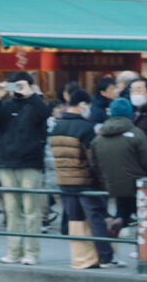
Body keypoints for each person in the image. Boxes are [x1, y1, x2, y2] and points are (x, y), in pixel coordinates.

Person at [0, 72, 50, 264]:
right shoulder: (5, 106)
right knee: (11, 211)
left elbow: (44, 114)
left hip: (30, 163)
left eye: (20, 85)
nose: (17, 89)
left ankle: (31, 253)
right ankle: (14, 251)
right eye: (14, 85)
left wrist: (32, 94)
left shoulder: (36, 105)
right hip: (6, 162)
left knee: (32, 211)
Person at [50, 88, 118, 268]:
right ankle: (105, 257)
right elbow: (92, 158)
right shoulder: (85, 128)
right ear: (82, 105)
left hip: (64, 180)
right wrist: (102, 181)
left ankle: (81, 258)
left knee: (76, 221)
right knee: (96, 219)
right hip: (85, 181)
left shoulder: (57, 126)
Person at [90, 97, 147, 247]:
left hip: (111, 184)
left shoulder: (99, 138)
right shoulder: (136, 133)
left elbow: (94, 164)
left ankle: (119, 220)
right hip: (136, 184)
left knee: (122, 207)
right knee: (143, 217)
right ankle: (144, 252)